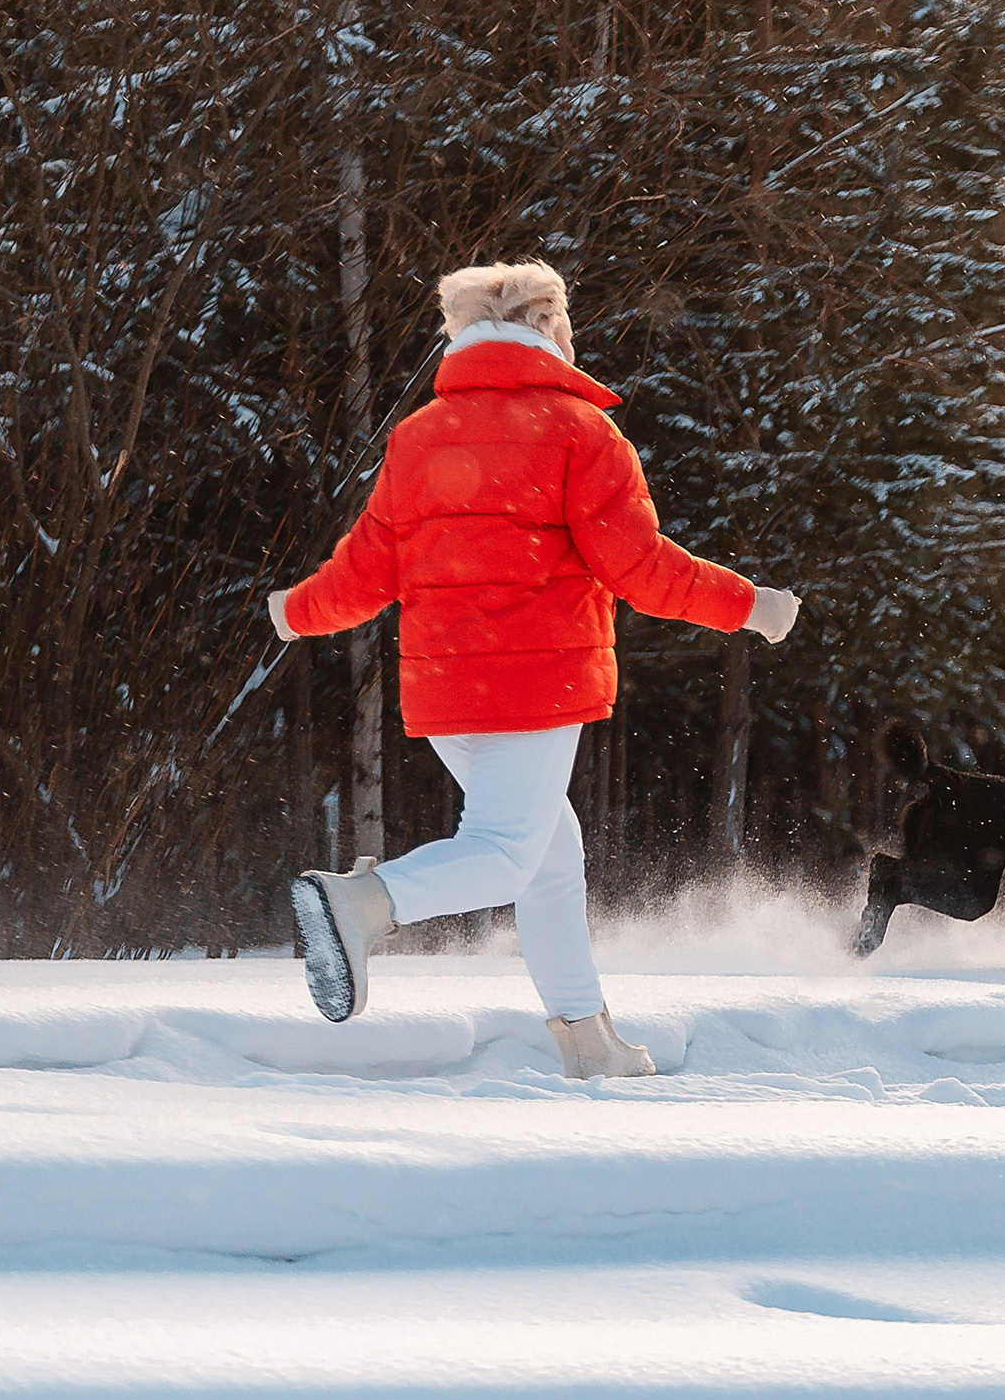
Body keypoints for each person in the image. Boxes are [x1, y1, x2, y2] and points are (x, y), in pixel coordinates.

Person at [270, 260, 799, 1078]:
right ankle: (361, 903)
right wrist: (751, 605)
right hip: (534, 687)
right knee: (505, 851)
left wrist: (294, 610)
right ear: (550, 330)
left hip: (447, 696)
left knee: (550, 855)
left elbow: (366, 571)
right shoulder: (580, 432)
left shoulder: (419, 437)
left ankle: (586, 1038)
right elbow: (641, 567)